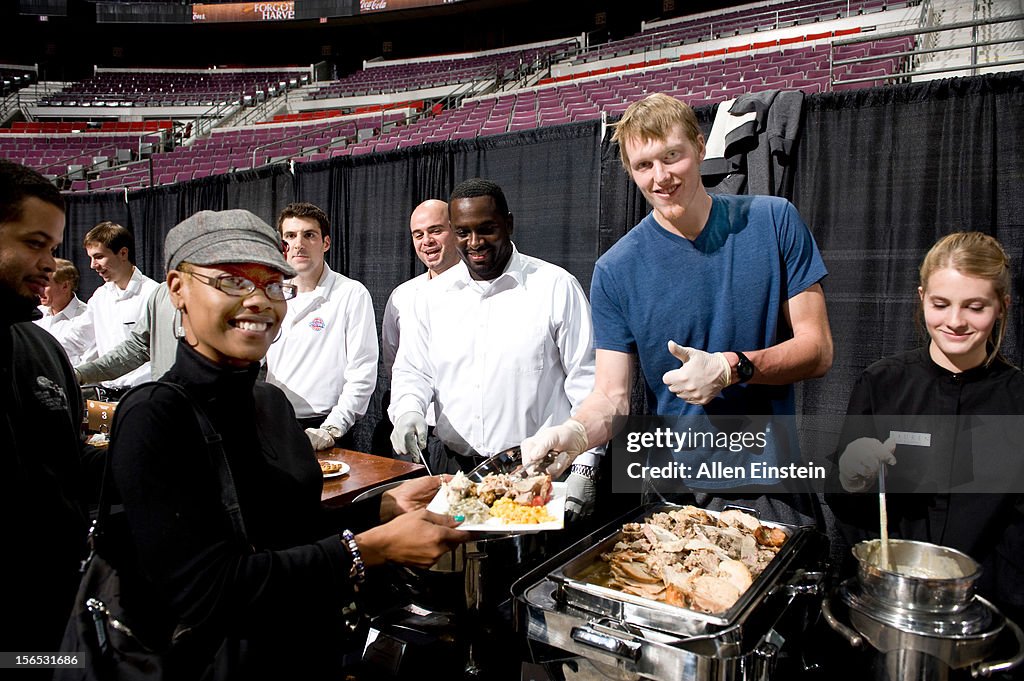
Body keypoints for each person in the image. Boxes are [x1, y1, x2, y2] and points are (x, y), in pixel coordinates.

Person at [109, 208, 469, 677]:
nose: (259, 300)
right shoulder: (155, 414)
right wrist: (369, 547)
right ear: (178, 288)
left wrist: (379, 509)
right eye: (233, 281)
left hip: (305, 651)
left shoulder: (270, 404)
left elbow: (283, 526)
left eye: (273, 285)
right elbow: (208, 589)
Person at [521, 93, 833, 523]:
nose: (661, 177)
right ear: (630, 172)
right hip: (675, 493)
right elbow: (611, 397)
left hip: (768, 484)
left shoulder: (775, 221)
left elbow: (817, 350)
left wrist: (730, 368)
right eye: (644, 165)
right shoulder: (615, 269)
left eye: (673, 156)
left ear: (700, 148)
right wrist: (574, 434)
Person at [829, 231, 1024, 624]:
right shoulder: (881, 382)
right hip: (890, 602)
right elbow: (847, 502)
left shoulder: (1017, 398)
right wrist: (850, 473)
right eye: (940, 304)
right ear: (921, 298)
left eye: (975, 307)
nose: (955, 321)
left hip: (989, 608)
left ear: (1001, 307)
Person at [389, 178, 601, 517]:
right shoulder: (430, 299)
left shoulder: (555, 287)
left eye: (486, 229)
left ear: (509, 223)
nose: (475, 243)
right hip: (453, 470)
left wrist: (586, 466)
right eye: (462, 232)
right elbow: (412, 370)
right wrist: (408, 409)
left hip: (536, 474)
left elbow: (587, 384)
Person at [0, 160, 89, 659]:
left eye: (53, 249)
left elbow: (68, 461)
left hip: (48, 616)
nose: (51, 265)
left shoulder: (42, 348)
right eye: (35, 244)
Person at [265, 202, 377, 451]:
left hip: (327, 429)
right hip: (274, 425)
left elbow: (362, 372)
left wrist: (332, 428)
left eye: (309, 235)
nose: (298, 244)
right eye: (290, 236)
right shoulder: (268, 295)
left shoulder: (351, 294)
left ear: (326, 243)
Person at [377, 199, 460, 465]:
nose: (427, 241)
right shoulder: (403, 295)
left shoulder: (481, 290)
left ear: (456, 230)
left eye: (435, 231)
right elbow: (396, 362)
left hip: (463, 438)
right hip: (415, 433)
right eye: (418, 234)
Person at [63, 221, 159, 397]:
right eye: (91, 258)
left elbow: (141, 350)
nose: (92, 265)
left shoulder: (152, 294)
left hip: (144, 394)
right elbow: (76, 338)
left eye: (99, 257)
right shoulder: (101, 296)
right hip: (106, 394)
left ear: (123, 253)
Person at [74, 282, 176, 385]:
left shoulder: (152, 290)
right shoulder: (161, 295)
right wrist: (82, 373)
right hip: (170, 395)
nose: (93, 266)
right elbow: (136, 347)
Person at [35, 257, 95, 365]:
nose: (39, 290)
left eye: (45, 285)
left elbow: (90, 366)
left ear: (65, 286)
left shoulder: (87, 318)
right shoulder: (36, 316)